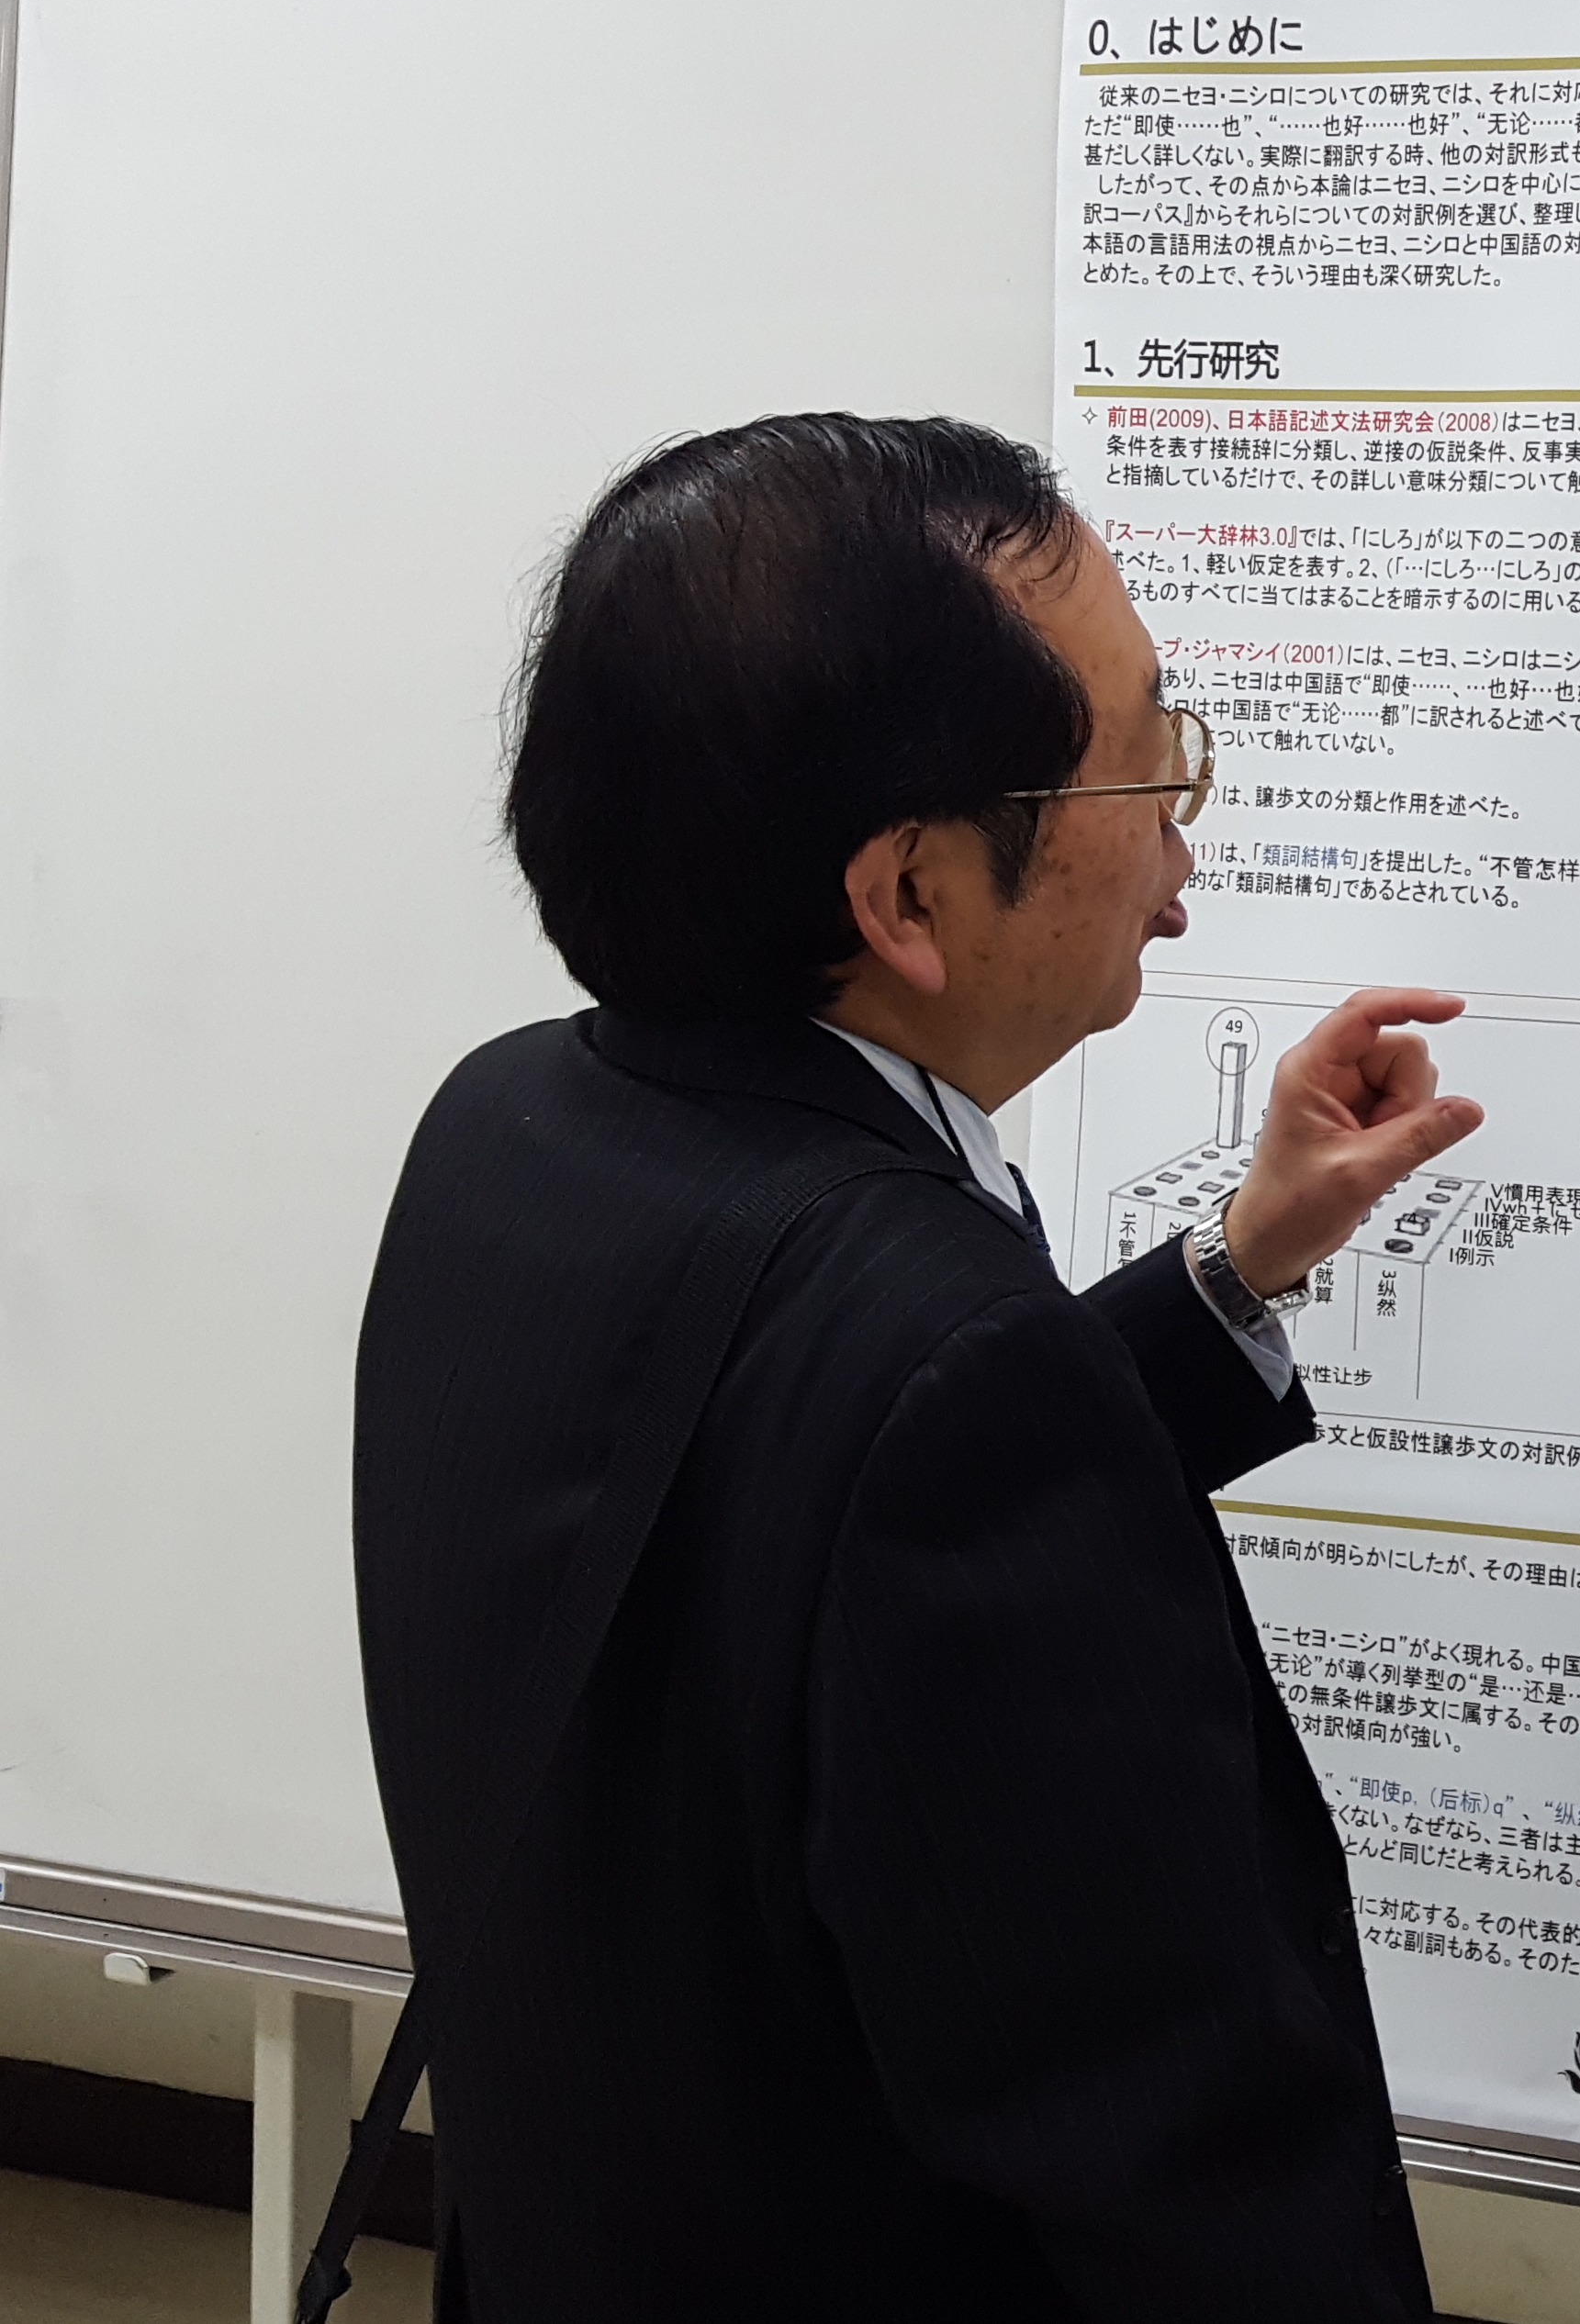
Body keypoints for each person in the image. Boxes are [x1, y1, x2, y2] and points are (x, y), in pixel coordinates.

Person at [353, 416, 1477, 2319]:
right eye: (1150, 764)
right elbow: (1185, 2170)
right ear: (910, 897)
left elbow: (798, 1525)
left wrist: (1235, 1263)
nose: (1183, 852)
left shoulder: (507, 1130)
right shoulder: (937, 1363)